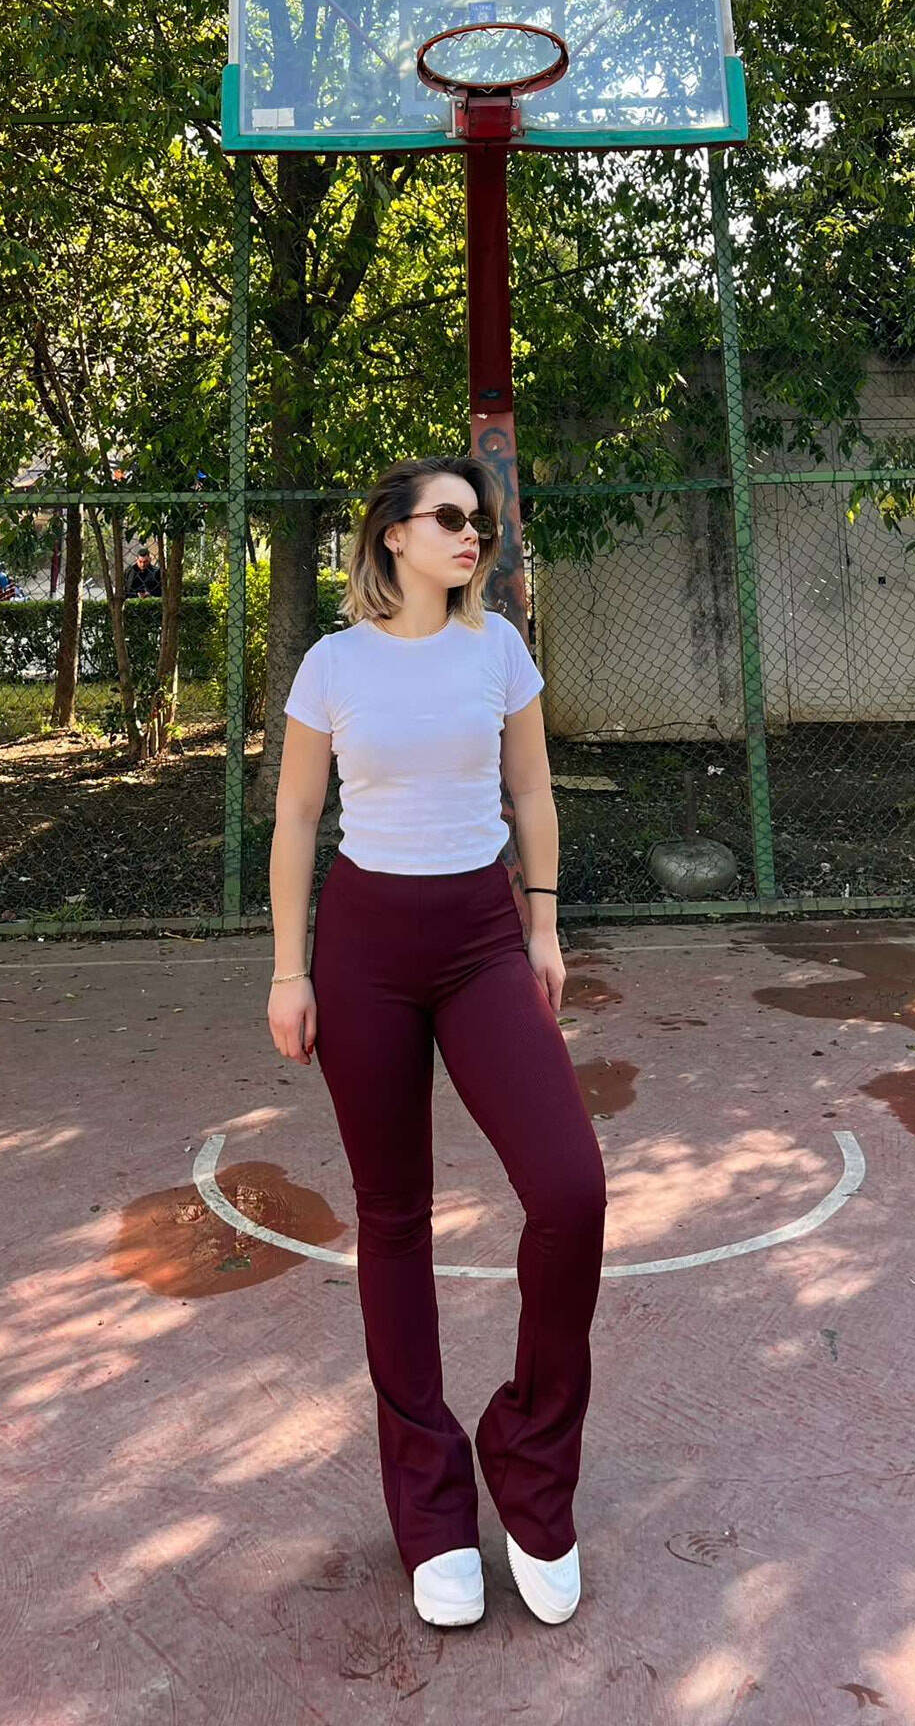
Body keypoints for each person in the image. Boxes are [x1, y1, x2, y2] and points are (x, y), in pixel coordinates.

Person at [268, 456, 607, 1630]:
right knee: (393, 1214)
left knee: (570, 1189)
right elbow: (298, 818)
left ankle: (529, 1464)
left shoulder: (498, 649)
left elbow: (534, 791)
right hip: (364, 945)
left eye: (485, 523)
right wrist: (289, 970)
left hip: (480, 938)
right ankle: (430, 1507)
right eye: (453, 518)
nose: (476, 537)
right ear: (394, 536)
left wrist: (544, 926)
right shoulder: (333, 664)